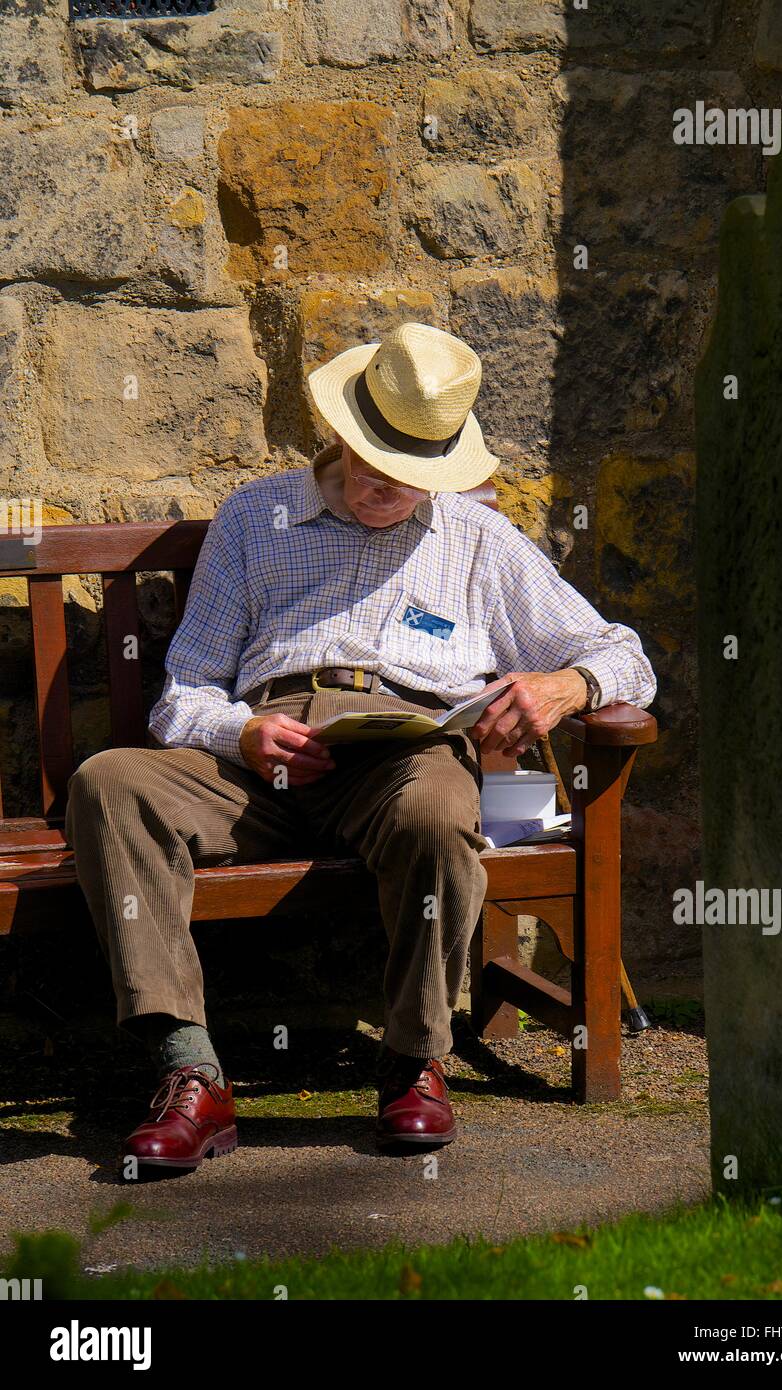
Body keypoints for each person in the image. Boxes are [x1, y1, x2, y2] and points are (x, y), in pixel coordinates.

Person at [65, 322, 656, 1168]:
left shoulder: (479, 541)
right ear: (340, 433)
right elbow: (181, 695)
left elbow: (622, 654)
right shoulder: (255, 517)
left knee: (438, 813)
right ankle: (190, 1074)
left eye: (415, 475)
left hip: (404, 759)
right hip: (260, 764)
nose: (390, 487)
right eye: (377, 461)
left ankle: (415, 1060)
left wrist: (562, 688)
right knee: (110, 781)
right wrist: (243, 731)